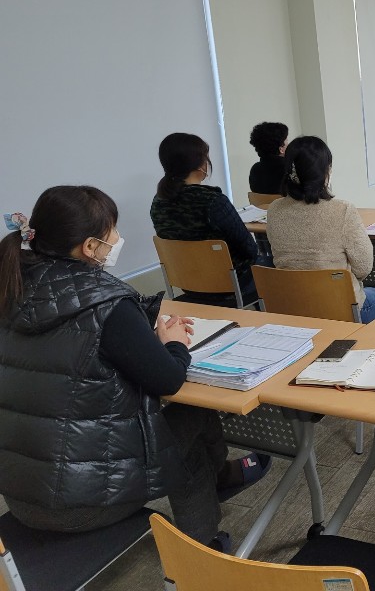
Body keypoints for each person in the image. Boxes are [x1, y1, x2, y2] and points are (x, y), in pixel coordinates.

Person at [0, 187, 268, 550]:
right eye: (112, 231)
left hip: (21, 493)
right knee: (188, 414)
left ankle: (222, 478)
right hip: (86, 502)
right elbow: (169, 380)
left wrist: (142, 338)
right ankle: (204, 546)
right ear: (90, 247)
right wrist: (173, 343)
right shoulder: (104, 303)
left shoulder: (13, 285)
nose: (117, 239)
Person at [267, 136, 375, 323]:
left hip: (289, 306)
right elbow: (364, 267)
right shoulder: (343, 210)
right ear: (325, 171)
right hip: (339, 307)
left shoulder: (274, 209)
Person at [151, 132, 259, 302]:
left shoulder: (158, 203)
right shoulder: (213, 201)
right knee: (276, 267)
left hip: (188, 284)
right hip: (231, 285)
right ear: (200, 164)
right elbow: (250, 250)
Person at [248, 121, 289, 195]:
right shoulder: (290, 169)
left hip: (263, 207)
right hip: (285, 206)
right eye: (287, 141)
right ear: (281, 149)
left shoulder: (255, 169)